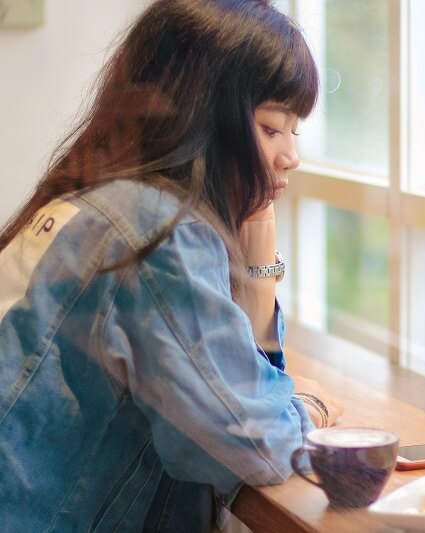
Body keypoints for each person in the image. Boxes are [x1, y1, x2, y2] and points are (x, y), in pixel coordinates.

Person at [0, 1, 343, 531]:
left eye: (295, 131)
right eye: (272, 128)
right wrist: (312, 411)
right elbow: (257, 445)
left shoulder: (95, 198)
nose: (291, 155)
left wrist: (258, 264)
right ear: (204, 115)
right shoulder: (157, 232)